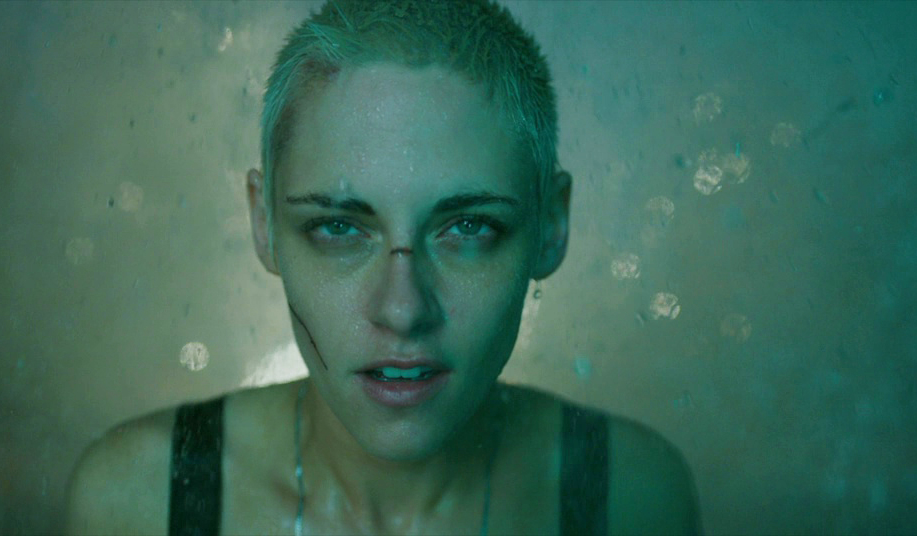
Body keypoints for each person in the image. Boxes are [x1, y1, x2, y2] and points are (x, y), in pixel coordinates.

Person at [65, 1, 700, 534]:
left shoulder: (630, 495)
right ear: (264, 225)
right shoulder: (143, 501)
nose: (402, 309)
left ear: (550, 227)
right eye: (339, 227)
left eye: (468, 227)